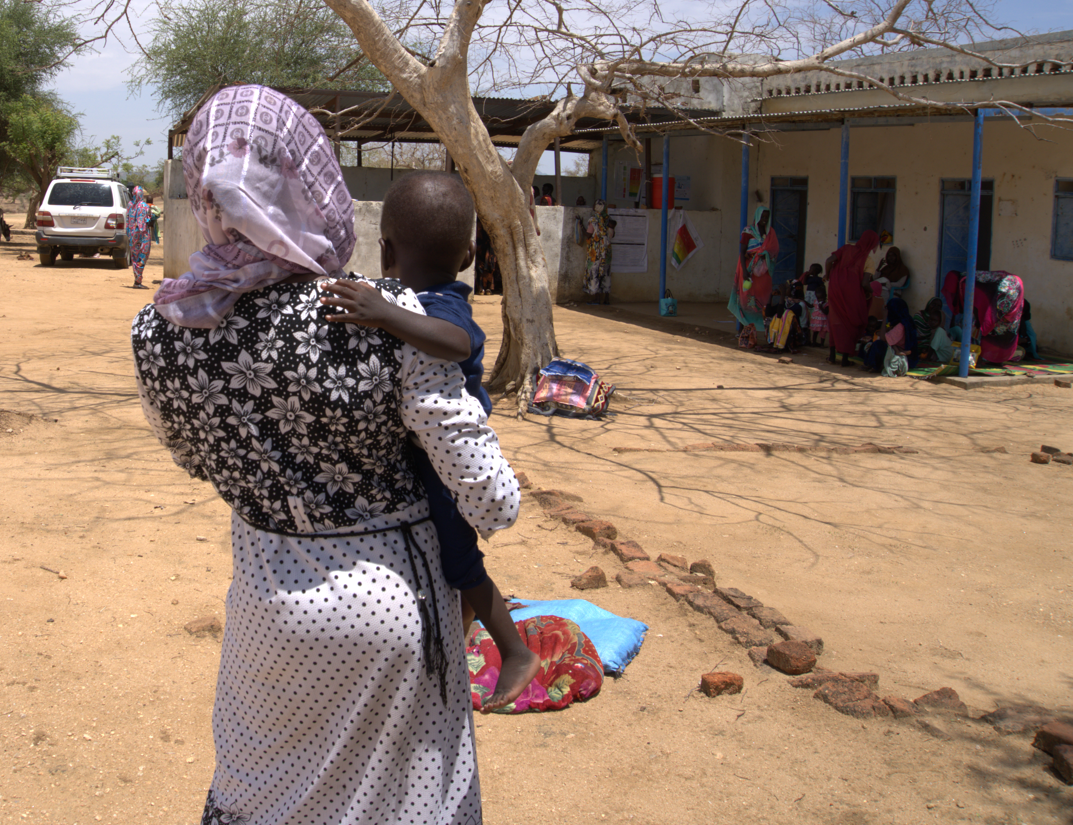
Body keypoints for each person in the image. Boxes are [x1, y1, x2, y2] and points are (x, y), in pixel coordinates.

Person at [132, 85, 519, 825]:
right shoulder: (386, 315)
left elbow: (194, 456)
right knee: (405, 804)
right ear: (312, 182)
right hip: (393, 611)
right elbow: (492, 502)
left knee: (266, 796)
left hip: (264, 603)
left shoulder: (160, 329)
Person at [317, 171, 540, 712]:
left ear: (386, 250)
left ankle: (516, 652)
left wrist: (384, 313)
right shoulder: (419, 296)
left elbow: (456, 342)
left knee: (459, 560)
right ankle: (455, 644)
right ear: (468, 255)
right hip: (427, 452)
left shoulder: (444, 302)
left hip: (449, 462)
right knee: (445, 558)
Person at [826, 229, 879, 366]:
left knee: (835, 319)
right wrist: (871, 292)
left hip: (835, 289)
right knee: (851, 322)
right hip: (852, 293)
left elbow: (829, 260)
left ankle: (832, 356)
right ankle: (844, 358)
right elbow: (865, 283)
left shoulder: (846, 249)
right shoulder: (868, 260)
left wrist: (828, 275)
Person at [729, 206, 778, 344]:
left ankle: (763, 330)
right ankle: (743, 329)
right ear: (757, 217)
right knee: (746, 299)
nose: (764, 219)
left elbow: (774, 250)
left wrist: (764, 255)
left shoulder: (770, 233)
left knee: (763, 300)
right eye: (762, 217)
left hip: (763, 271)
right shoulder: (748, 231)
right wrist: (744, 271)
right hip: (749, 269)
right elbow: (742, 251)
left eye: (767, 217)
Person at [584, 198, 613, 305]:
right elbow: (612, 235)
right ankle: (606, 299)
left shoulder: (593, 220)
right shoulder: (609, 220)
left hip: (595, 252)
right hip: (607, 251)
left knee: (594, 273)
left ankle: (596, 298)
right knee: (606, 273)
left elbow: (588, 234)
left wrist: (581, 226)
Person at [125, 185, 152, 289]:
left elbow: (127, 219)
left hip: (132, 235)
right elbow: (148, 219)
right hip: (143, 234)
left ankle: (137, 279)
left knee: (134, 257)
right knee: (143, 255)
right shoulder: (144, 206)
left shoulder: (130, 205)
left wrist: (129, 232)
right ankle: (138, 281)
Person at [913, 297, 954, 362]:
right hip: (920, 342)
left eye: (939, 306)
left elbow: (933, 347)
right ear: (928, 305)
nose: (935, 307)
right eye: (933, 304)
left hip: (944, 356)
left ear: (940, 321)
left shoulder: (939, 330)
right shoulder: (919, 316)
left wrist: (927, 358)